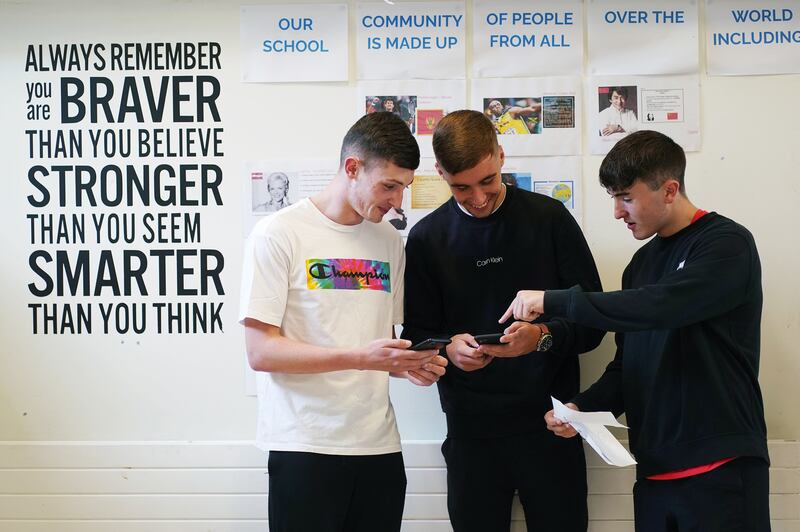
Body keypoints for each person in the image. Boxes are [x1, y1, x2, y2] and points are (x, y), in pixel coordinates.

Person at [502, 130, 770, 532]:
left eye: (626, 196)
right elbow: (629, 369)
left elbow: (661, 307)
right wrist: (581, 409)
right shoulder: (640, 265)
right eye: (613, 197)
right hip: (654, 473)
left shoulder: (726, 244)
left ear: (669, 190)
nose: (617, 211)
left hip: (721, 467)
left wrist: (556, 300)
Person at [240, 111, 448, 532]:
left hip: (379, 449)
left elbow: (381, 345)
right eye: (388, 186)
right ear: (352, 168)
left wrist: (412, 366)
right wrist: (359, 357)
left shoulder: (389, 240)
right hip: (304, 447)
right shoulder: (278, 233)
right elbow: (261, 352)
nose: (397, 202)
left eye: (404, 188)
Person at [401, 110, 605, 532]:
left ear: (501, 156)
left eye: (488, 181)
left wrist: (541, 338)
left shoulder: (550, 220)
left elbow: (594, 323)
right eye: (460, 186)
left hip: (553, 427)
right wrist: (447, 350)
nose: (477, 198)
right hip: (471, 435)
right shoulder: (425, 240)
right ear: (439, 172)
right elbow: (418, 338)